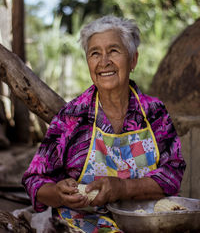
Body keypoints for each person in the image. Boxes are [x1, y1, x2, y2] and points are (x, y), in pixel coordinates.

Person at [22, 15, 186, 233]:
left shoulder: (154, 113)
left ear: (133, 60)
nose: (104, 61)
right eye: (95, 53)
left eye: (114, 51)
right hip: (83, 224)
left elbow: (172, 175)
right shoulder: (72, 117)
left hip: (145, 223)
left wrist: (123, 188)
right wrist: (57, 193)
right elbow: (34, 178)